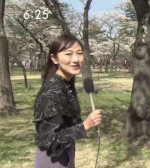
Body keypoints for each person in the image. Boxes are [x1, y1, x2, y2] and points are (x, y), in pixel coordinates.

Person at [33, 34, 101, 168]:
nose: (76, 59)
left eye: (79, 53)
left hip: (65, 153)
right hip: (52, 159)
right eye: (68, 54)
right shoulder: (51, 92)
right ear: (54, 58)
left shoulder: (64, 84)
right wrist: (85, 125)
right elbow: (50, 140)